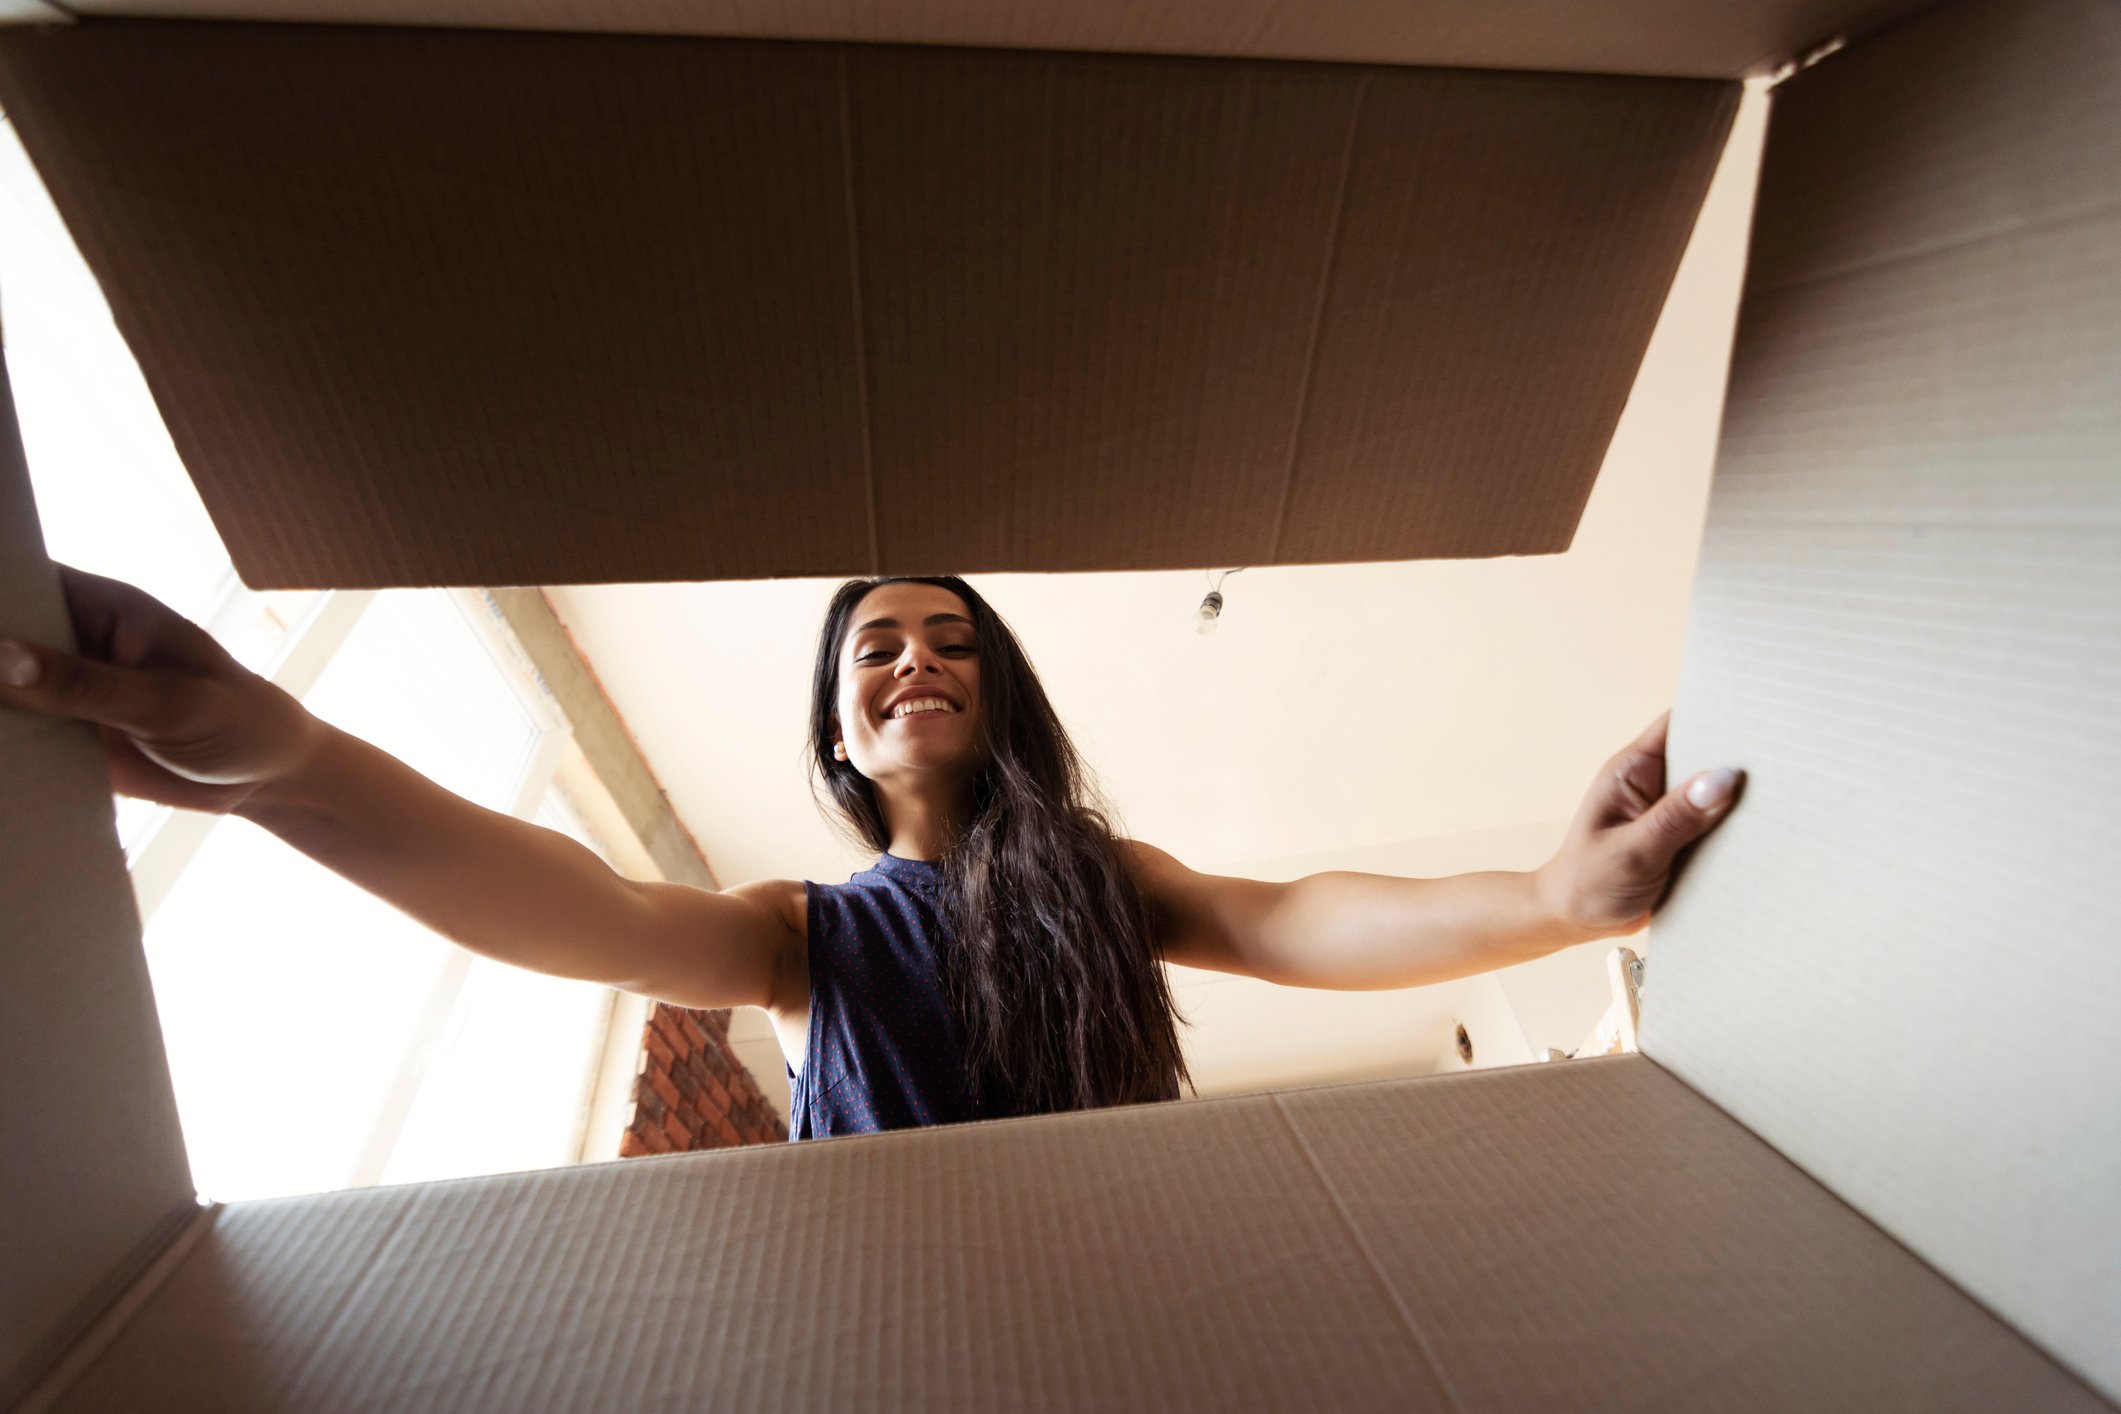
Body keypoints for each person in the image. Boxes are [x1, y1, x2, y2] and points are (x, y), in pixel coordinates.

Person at [0, 566, 1742, 1141]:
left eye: (952, 640)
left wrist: (1541, 897)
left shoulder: (1092, 881)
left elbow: (1286, 914)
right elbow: (578, 908)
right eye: (875, 650)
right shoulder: (807, 931)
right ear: (841, 731)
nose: (914, 655)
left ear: (1001, 699)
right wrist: (293, 760)